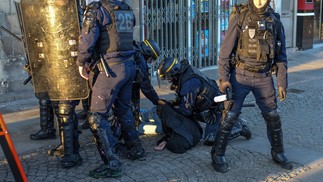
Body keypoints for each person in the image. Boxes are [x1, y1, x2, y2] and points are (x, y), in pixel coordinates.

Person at [211, 0, 293, 173]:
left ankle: (278, 152)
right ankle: (218, 153)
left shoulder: (275, 21)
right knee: (230, 116)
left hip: (264, 78)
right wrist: (223, 79)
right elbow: (225, 52)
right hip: (240, 76)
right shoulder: (240, 17)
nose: (259, 1)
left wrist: (281, 82)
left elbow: (281, 55)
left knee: (272, 116)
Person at [77, 0, 144, 178]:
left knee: (96, 117)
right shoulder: (126, 8)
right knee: (123, 109)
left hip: (111, 69)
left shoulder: (97, 10)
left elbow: (87, 39)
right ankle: (135, 147)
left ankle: (112, 163)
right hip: (129, 66)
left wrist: (81, 62)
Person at [155, 57, 252, 154]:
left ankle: (239, 128)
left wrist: (172, 112)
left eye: (167, 77)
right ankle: (224, 121)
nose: (168, 80)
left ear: (173, 72)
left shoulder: (188, 83)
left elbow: (186, 110)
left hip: (213, 108)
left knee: (210, 138)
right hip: (204, 106)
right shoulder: (184, 73)